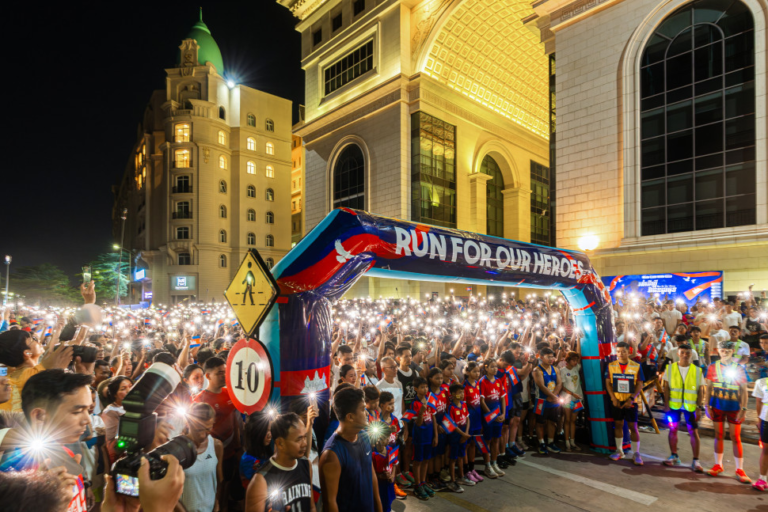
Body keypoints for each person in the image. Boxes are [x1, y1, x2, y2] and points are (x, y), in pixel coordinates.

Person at [1, 369, 94, 511]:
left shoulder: (68, 454)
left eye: (89, 410)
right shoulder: (13, 475)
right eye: (77, 412)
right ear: (39, 416)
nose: (87, 420)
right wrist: (42, 499)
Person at [320, 387, 382, 512]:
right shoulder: (331, 455)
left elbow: (371, 475)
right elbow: (330, 502)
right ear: (350, 417)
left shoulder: (364, 437)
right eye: (362, 409)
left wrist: (379, 507)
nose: (366, 413)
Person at [192, 357, 243, 511]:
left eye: (225, 372)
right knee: (213, 485)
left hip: (231, 452)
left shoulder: (230, 393)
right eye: (220, 373)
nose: (224, 375)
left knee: (226, 482)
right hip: (210, 453)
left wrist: (238, 446)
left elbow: (234, 419)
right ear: (208, 376)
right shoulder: (199, 400)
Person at [704, 340, 750, 483]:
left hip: (734, 407)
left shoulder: (739, 368)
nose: (725, 353)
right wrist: (706, 406)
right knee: (718, 435)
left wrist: (743, 408)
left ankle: (740, 469)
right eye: (722, 350)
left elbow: (744, 390)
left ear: (732, 352)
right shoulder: (712, 367)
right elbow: (708, 388)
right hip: (717, 405)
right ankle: (718, 465)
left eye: (728, 351)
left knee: (735, 437)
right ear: (718, 351)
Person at [0, 330, 73, 412]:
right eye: (33, 340)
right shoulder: (32, 374)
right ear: (27, 353)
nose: (38, 342)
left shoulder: (11, 377)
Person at [662, 344, 704, 472]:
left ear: (691, 355)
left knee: (693, 432)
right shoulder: (670, 368)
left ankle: (696, 460)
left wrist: (699, 407)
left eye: (688, 353)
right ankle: (674, 455)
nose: (685, 355)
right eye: (682, 353)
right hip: (674, 405)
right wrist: (666, 404)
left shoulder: (697, 370)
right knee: (673, 429)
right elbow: (666, 387)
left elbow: (701, 390)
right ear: (678, 354)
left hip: (690, 406)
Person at [179, 402, 224, 512]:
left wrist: (217, 501)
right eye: (198, 430)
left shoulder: (216, 446)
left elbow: (219, 479)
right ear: (188, 423)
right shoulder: (178, 449)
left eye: (208, 429)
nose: (203, 435)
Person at [606, 342, 645, 465]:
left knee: (633, 427)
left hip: (630, 401)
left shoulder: (636, 366)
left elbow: (640, 384)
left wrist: (631, 399)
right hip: (617, 400)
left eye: (623, 351)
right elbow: (608, 383)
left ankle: (636, 453)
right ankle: (619, 451)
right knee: (618, 425)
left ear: (629, 352)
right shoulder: (611, 366)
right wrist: (613, 398)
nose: (621, 354)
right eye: (618, 351)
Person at [409, 376, 435, 500]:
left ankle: (423, 482)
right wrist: (421, 412)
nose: (425, 389)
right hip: (419, 437)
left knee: (426, 460)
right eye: (422, 387)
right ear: (415, 389)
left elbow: (433, 417)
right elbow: (418, 423)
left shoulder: (429, 399)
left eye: (426, 387)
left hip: (429, 435)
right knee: (418, 461)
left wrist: (435, 435)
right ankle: (417, 485)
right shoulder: (414, 403)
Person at [479, 357, 506, 476]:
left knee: (496, 439)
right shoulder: (482, 381)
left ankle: (494, 463)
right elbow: (482, 401)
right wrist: (491, 415)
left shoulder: (498, 381)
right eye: (492, 367)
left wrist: (503, 413)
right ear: (486, 368)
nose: (495, 369)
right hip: (488, 418)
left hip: (498, 416)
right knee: (487, 440)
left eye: (496, 367)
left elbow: (502, 398)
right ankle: (487, 465)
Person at [532, 348, 562, 455]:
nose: (551, 359)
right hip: (541, 401)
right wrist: (553, 396)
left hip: (553, 400)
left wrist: (554, 396)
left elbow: (559, 383)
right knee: (540, 423)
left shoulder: (556, 369)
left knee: (552, 422)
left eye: (552, 356)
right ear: (541, 357)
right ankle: (541, 443)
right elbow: (541, 385)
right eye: (548, 357)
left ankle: (550, 442)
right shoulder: (537, 370)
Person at [446, 383, 473, 491]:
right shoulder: (451, 407)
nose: (462, 394)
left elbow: (467, 419)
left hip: (463, 436)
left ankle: (461, 477)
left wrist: (466, 433)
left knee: (461, 456)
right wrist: (463, 434)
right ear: (453, 394)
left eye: (463, 392)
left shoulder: (464, 405)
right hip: (455, 437)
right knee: (453, 459)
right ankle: (452, 481)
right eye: (459, 392)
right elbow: (452, 424)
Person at [462, 362, 485, 483]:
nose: (477, 374)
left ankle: (472, 468)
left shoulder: (477, 384)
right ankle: (466, 471)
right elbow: (463, 406)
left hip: (477, 420)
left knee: (473, 445)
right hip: (469, 421)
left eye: (478, 371)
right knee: (466, 445)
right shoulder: (464, 386)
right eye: (474, 371)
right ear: (468, 372)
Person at [101, 376, 132, 463]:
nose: (129, 390)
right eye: (123, 389)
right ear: (115, 394)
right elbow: (109, 443)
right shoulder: (110, 412)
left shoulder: (135, 405)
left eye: (131, 386)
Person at [241, 411, 274, 489]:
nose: (269, 435)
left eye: (270, 430)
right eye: (266, 431)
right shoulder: (248, 459)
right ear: (257, 433)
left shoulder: (267, 450)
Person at [559, 351, 583, 452]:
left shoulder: (577, 368)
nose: (575, 362)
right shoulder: (562, 370)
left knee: (573, 421)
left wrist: (578, 340)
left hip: (577, 398)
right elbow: (562, 387)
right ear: (568, 360)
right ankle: (567, 443)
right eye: (573, 360)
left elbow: (579, 354)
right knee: (567, 420)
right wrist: (573, 394)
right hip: (567, 398)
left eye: (576, 360)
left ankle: (572, 442)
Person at [752, 370, 768, 491]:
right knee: (766, 450)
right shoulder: (761, 382)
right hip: (766, 420)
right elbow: (758, 402)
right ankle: (762, 479)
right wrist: (759, 420)